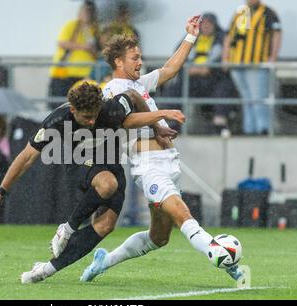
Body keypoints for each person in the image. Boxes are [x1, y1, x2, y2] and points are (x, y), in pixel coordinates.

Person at [80, 17, 245, 283]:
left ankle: (104, 261)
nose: (139, 62)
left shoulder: (137, 85)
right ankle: (222, 257)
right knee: (183, 213)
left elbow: (169, 69)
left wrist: (190, 38)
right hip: (148, 164)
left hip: (169, 161)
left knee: (159, 237)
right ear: (118, 62)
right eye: (134, 58)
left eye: (140, 57)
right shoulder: (112, 90)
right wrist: (162, 115)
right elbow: (123, 121)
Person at [0, 82, 185, 283]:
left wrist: (157, 127)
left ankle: (45, 270)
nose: (93, 122)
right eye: (87, 117)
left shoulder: (110, 108)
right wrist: (0, 192)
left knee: (105, 226)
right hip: (80, 165)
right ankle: (67, 227)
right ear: (73, 110)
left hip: (112, 165)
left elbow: (133, 95)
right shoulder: (57, 120)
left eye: (95, 116)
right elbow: (27, 157)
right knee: (107, 185)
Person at [167, 13, 238, 134]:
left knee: (225, 87)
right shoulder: (191, 37)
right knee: (174, 88)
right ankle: (174, 122)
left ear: (215, 25)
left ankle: (219, 123)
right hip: (192, 78)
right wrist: (188, 68)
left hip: (213, 78)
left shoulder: (222, 39)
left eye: (209, 23)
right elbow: (178, 55)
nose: (206, 26)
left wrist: (210, 69)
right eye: (203, 23)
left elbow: (226, 61)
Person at [222, 0, 282, 135]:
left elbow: (276, 34)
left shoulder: (269, 13)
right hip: (237, 62)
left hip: (257, 63)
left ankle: (262, 129)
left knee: (258, 98)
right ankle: (249, 129)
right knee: (246, 99)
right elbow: (230, 35)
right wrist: (225, 57)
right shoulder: (241, 12)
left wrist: (273, 57)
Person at [47, 0, 100, 110]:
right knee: (60, 105)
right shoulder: (72, 25)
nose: (88, 14)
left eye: (90, 12)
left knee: (80, 105)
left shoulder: (94, 30)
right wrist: (84, 47)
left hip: (84, 74)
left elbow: (97, 51)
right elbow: (62, 43)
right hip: (65, 73)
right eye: (85, 11)